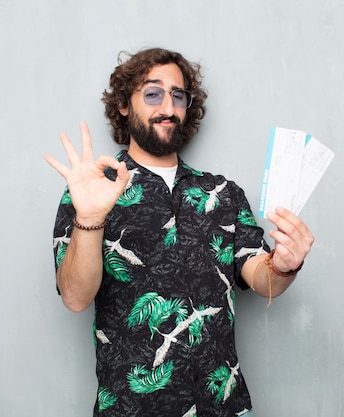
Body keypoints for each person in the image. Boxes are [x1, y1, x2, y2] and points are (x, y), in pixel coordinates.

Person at [44, 47, 314, 417]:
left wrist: (284, 265)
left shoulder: (222, 194)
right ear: (124, 104)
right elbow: (75, 297)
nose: (168, 108)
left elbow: (262, 278)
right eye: (152, 93)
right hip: (131, 407)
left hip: (223, 406)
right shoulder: (89, 191)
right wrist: (89, 218)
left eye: (178, 95)